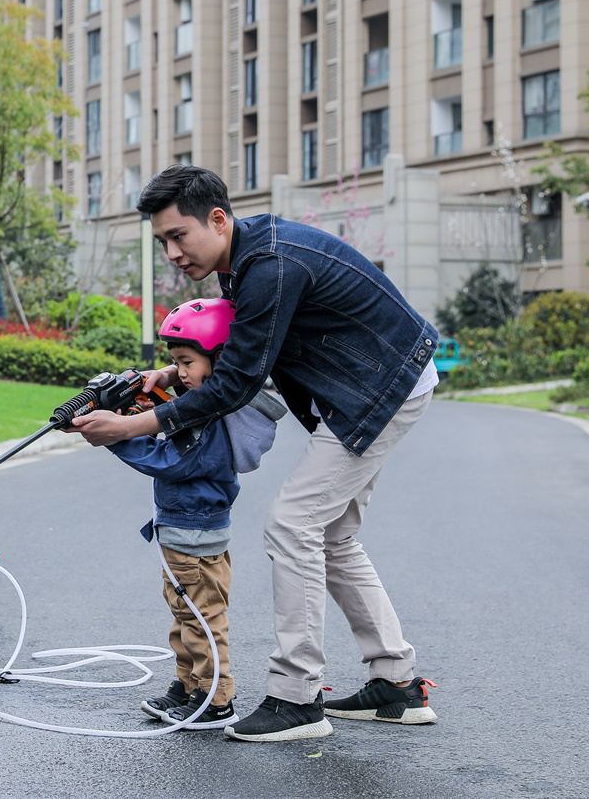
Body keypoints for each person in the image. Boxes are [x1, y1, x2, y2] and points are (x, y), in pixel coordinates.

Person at [68, 164, 440, 743]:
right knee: (331, 534)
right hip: (372, 388)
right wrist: (166, 373)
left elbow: (236, 384)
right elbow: (242, 352)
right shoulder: (247, 261)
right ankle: (395, 681)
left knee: (292, 525)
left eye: (178, 236)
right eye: (162, 241)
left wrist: (127, 427)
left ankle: (296, 699)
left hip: (380, 389)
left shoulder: (269, 265)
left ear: (217, 220)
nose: (171, 252)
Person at [104, 298, 281, 730]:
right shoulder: (205, 407)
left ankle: (217, 700)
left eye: (186, 362)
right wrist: (146, 412)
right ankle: (188, 685)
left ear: (219, 359)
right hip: (180, 536)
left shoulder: (216, 421)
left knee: (202, 620)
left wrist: (117, 435)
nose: (179, 372)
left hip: (193, 541)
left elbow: (170, 461)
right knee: (184, 616)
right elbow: (174, 426)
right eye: (174, 362)